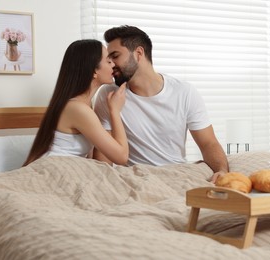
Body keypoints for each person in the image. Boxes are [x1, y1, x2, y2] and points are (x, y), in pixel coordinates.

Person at [93, 25, 228, 183]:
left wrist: (222, 171)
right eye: (108, 59)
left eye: (115, 56)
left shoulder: (184, 92)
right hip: (134, 179)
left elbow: (208, 143)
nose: (111, 64)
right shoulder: (108, 96)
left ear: (138, 53)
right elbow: (104, 156)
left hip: (177, 176)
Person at [23, 39, 128, 166]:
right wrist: (115, 111)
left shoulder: (81, 105)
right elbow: (121, 157)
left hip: (67, 168)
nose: (113, 65)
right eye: (108, 61)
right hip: (53, 169)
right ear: (94, 71)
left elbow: (89, 156)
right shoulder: (78, 109)